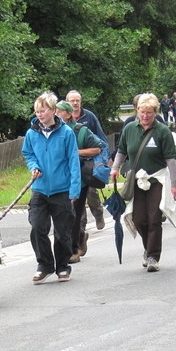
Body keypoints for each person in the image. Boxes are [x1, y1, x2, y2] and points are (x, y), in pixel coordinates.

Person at [110, 93, 176, 272]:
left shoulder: (161, 131)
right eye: (142, 112)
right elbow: (122, 151)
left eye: (149, 112)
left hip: (157, 179)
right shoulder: (130, 129)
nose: (145, 116)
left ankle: (153, 256)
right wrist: (115, 167)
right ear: (137, 111)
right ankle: (147, 248)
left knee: (154, 217)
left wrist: (174, 184)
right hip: (137, 180)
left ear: (155, 112)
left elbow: (171, 159)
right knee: (139, 218)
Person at [22, 92, 81, 283]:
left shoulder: (66, 133)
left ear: (54, 111)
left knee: (63, 232)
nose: (39, 114)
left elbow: (73, 161)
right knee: (37, 227)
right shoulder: (31, 133)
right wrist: (34, 167)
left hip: (62, 189)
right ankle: (44, 265)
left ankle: (62, 266)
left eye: (43, 110)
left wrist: (74, 189)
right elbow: (28, 154)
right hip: (39, 188)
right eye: (37, 111)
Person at [54, 100, 106, 263]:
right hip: (59, 179)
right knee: (63, 214)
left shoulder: (80, 130)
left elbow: (98, 147)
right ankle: (81, 236)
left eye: (59, 111)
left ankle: (74, 250)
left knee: (74, 215)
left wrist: (76, 152)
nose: (56, 114)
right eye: (55, 111)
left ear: (69, 114)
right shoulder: (53, 131)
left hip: (80, 179)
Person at [66, 90, 108, 232]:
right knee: (76, 198)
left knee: (91, 193)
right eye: (72, 101)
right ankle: (81, 229)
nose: (75, 103)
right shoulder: (61, 120)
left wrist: (103, 160)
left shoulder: (89, 116)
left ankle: (98, 213)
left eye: (77, 100)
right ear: (67, 103)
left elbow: (101, 139)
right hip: (71, 166)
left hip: (88, 163)